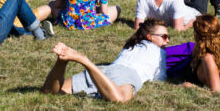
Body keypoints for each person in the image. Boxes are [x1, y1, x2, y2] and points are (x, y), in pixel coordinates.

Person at [41, 19, 169, 102]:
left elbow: (48, 91)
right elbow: (160, 77)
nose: (167, 41)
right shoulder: (159, 52)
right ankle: (85, 60)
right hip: (128, 73)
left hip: (105, 70)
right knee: (120, 99)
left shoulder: (132, 46)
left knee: (51, 91)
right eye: (164, 37)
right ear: (150, 37)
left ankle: (62, 62)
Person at [181, 15, 220, 92]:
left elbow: (216, 91)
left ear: (198, 36)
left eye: (195, 32)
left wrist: (190, 86)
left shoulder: (207, 58)